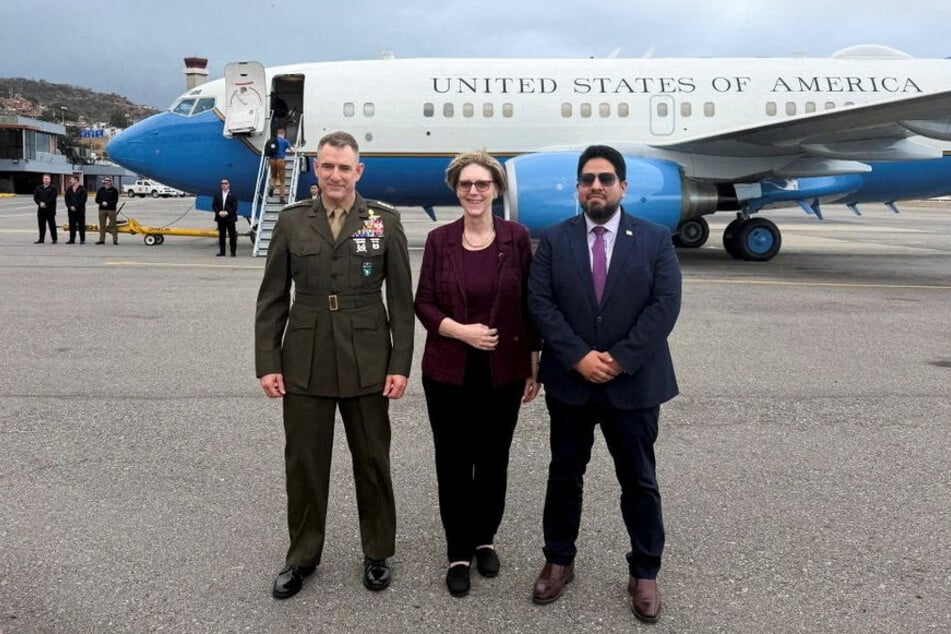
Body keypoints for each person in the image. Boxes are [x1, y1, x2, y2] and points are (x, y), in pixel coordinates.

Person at [255, 130, 415, 600]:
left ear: (358, 171)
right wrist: (268, 362)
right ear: (316, 169)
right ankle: (302, 557)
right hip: (303, 359)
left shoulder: (383, 222)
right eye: (327, 166)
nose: (335, 175)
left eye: (345, 167)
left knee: (372, 460)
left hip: (368, 360)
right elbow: (271, 299)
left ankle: (377, 553)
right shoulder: (292, 222)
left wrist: (400, 364)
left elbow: (401, 303)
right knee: (304, 464)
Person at [527, 145, 682, 624]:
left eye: (606, 178)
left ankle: (645, 571)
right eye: (588, 178)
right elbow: (541, 303)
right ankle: (559, 560)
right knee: (564, 475)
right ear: (577, 187)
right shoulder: (553, 241)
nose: (597, 185)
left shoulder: (655, 239)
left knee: (638, 480)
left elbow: (664, 306)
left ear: (623, 187)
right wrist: (578, 357)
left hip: (633, 386)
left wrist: (617, 360)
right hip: (572, 384)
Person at [414, 151, 540, 597]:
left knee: (493, 459)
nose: (473, 191)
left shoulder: (517, 237)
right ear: (456, 190)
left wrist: (533, 362)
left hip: (503, 370)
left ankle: (485, 537)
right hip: (448, 371)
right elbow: (424, 302)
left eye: (482, 184)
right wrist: (460, 332)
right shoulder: (439, 240)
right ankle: (458, 551)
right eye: (466, 184)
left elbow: (529, 304)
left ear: (496, 190)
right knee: (453, 461)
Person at [267, 128, 295, 203]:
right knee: (282, 181)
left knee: (273, 176)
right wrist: (295, 147)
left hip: (271, 160)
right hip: (280, 160)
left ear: (277, 134)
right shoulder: (285, 141)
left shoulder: (272, 140)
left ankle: (272, 187)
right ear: (284, 134)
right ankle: (281, 198)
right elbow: (292, 150)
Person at [212, 177, 238, 256]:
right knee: (221, 236)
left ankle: (233, 252)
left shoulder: (233, 195)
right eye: (222, 183)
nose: (224, 185)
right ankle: (222, 252)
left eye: (225, 183)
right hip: (220, 218)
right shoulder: (217, 195)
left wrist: (227, 213)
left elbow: (235, 207)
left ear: (229, 185)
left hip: (230, 218)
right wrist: (219, 212)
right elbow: (214, 205)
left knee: (232, 236)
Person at [33, 174, 58, 244]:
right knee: (41, 225)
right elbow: (35, 197)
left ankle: (54, 239)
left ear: (50, 180)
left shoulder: (53, 188)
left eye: (47, 179)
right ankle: (41, 239)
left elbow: (53, 198)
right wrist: (39, 203)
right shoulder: (38, 188)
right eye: (44, 179)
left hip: (50, 210)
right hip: (41, 210)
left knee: (52, 225)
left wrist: (45, 203)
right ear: (42, 180)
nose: (45, 180)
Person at [94, 177, 120, 245]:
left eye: (108, 180)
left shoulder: (114, 190)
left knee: (113, 225)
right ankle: (102, 240)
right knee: (102, 225)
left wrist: (108, 203)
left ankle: (115, 240)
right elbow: (97, 200)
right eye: (106, 180)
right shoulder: (100, 190)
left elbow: (115, 200)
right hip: (102, 210)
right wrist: (102, 202)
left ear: (111, 182)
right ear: (104, 181)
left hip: (111, 210)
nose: (107, 182)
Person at [64, 175, 87, 244]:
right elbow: (66, 199)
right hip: (71, 211)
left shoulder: (83, 189)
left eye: (72, 179)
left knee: (81, 225)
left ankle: (82, 239)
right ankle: (72, 239)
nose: (70, 181)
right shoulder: (69, 189)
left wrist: (76, 207)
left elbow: (83, 200)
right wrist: (70, 206)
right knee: (72, 225)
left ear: (76, 180)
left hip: (80, 210)